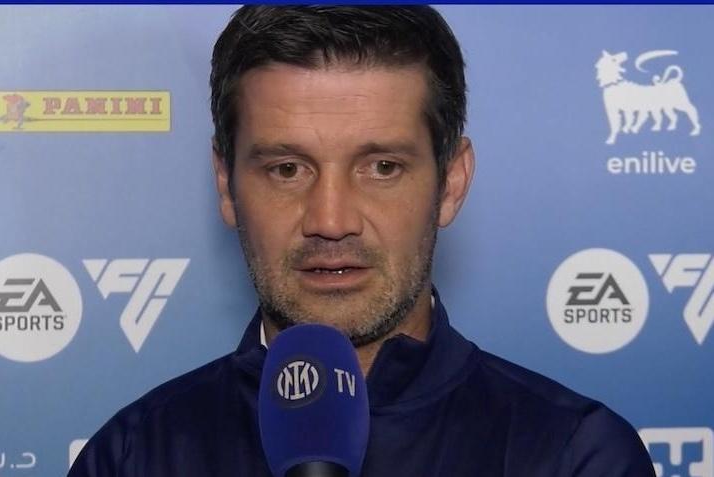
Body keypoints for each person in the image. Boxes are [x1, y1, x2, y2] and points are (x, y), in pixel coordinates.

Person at [68, 6, 655, 476]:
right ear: (226, 185)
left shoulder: (574, 456)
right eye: (287, 169)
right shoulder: (131, 456)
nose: (331, 219)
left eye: (381, 168)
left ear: (451, 184)